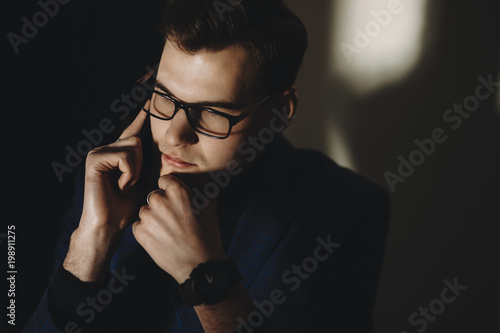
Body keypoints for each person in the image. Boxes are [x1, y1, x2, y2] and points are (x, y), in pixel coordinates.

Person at [24, 0, 390, 332]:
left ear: (280, 112)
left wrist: (205, 280)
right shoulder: (108, 183)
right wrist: (92, 243)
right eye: (165, 96)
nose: (174, 135)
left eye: (213, 112)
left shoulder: (348, 212)